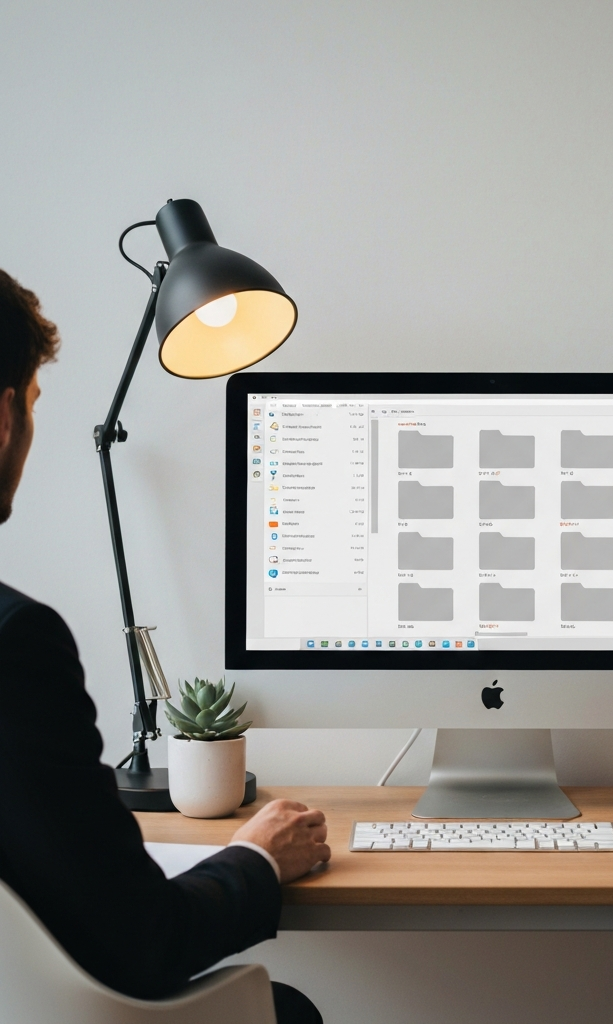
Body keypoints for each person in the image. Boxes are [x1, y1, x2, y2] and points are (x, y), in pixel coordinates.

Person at [0, 270, 330, 1024]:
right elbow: (143, 943)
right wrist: (258, 857)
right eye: (35, 402)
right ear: (4, 418)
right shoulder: (16, 646)